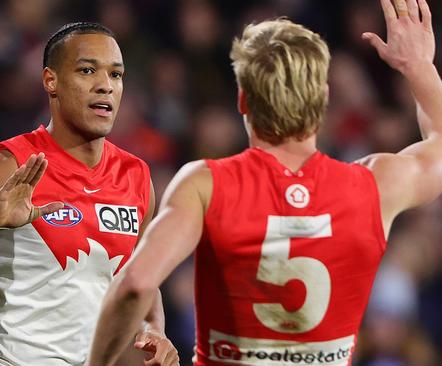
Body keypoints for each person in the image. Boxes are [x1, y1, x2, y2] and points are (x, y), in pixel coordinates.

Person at [88, 0, 442, 365]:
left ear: (243, 101)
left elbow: (134, 286)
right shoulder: (375, 186)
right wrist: (417, 66)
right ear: (323, 99)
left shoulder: (205, 184)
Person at [0, 22, 178, 366]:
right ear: (51, 81)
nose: (105, 86)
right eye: (88, 70)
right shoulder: (8, 165)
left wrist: (153, 328)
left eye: (116, 75)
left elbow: (139, 279)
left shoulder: (136, 177)